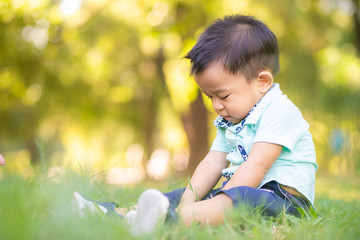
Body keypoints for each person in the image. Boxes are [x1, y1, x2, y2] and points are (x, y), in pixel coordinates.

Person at [73, 14, 318, 236]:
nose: (216, 106)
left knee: (240, 198)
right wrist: (190, 197)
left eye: (223, 96)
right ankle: (118, 214)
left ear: (262, 81)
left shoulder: (280, 111)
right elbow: (213, 161)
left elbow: (256, 166)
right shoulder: (230, 119)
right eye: (209, 97)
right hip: (239, 191)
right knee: (185, 194)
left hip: (285, 203)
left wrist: (218, 198)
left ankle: (172, 220)